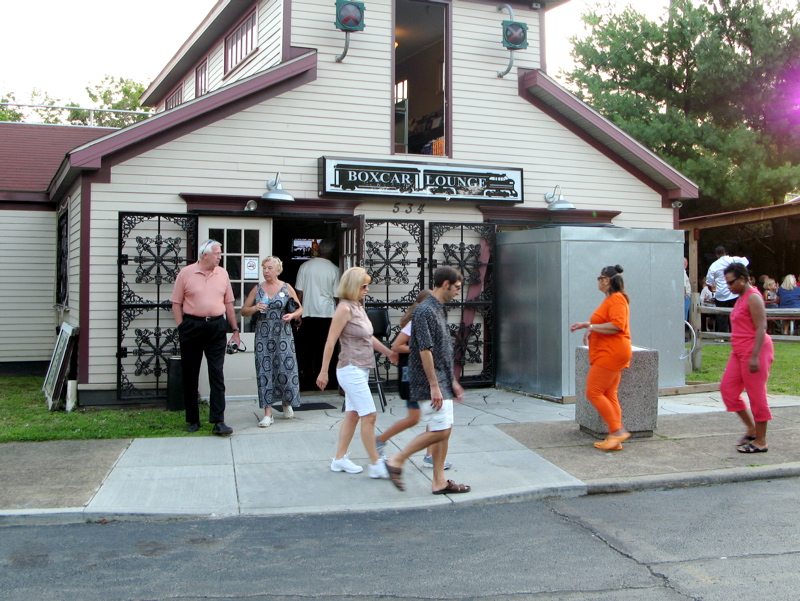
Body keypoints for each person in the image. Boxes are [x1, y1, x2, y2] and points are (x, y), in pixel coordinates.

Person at [385, 266, 470, 494]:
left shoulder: (439, 309)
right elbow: (424, 349)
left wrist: (452, 380)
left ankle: (439, 481)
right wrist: (434, 385)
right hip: (428, 381)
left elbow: (441, 350)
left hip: (443, 379)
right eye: (457, 288)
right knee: (440, 430)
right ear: (445, 284)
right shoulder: (424, 311)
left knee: (445, 429)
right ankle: (396, 459)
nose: (458, 293)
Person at [317, 267, 399, 478]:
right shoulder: (344, 308)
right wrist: (324, 371)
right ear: (353, 286)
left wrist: (389, 353)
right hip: (350, 368)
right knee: (369, 415)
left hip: (361, 368)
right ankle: (375, 463)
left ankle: (339, 459)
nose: (367, 289)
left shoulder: (358, 307)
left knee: (353, 415)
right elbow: (330, 340)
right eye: (363, 285)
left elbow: (368, 337)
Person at [374, 289, 452, 470]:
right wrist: (423, 350)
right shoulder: (417, 321)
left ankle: (429, 456)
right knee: (415, 418)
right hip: (414, 376)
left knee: (430, 417)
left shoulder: (427, 318)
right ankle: (382, 441)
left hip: (421, 376)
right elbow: (396, 345)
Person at [170, 239, 240, 436]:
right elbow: (176, 303)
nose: (220, 256)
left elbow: (229, 303)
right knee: (190, 373)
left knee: (216, 373)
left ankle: (219, 421)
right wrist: (182, 327)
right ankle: (193, 419)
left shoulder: (223, 273)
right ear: (205, 255)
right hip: (192, 326)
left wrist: (234, 330)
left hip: (217, 326)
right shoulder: (186, 273)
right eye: (217, 253)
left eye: (220, 253)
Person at [569, 264, 633, 451]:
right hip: (611, 352)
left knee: (593, 391)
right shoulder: (613, 299)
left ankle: (617, 431)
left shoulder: (616, 299)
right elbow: (606, 322)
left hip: (610, 353)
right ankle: (616, 438)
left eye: (599, 278)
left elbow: (617, 325)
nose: (597, 281)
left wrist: (593, 328)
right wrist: (586, 325)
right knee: (609, 393)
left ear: (606, 280)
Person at [240, 256, 303, 427]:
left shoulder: (286, 287)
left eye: (269, 268)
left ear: (277, 270)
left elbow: (300, 308)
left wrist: (292, 315)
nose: (266, 271)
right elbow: (243, 311)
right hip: (264, 335)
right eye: (264, 268)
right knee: (265, 370)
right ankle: (268, 413)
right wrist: (254, 308)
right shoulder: (258, 288)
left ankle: (286, 402)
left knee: (285, 369)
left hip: (283, 334)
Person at [719, 263, 774, 453]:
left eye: (731, 282)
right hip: (739, 352)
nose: (729, 286)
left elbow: (761, 328)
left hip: (755, 351)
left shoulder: (753, 297)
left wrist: (755, 357)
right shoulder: (741, 297)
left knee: (756, 395)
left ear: (743, 279)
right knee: (728, 390)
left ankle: (761, 441)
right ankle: (751, 429)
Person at [295, 239, 340, 389]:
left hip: (308, 312)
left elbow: (298, 293)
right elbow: (336, 295)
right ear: (331, 252)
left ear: (318, 250)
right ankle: (328, 379)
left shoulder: (305, 266)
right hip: (327, 313)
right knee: (326, 346)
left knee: (308, 348)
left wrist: (297, 313)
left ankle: (308, 378)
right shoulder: (334, 269)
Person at [705, 246, 749, 333]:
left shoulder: (714, 265)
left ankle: (723, 335)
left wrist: (712, 286)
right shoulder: (732, 260)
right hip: (734, 291)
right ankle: (736, 332)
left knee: (721, 315)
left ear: (717, 255)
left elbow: (709, 280)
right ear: (725, 252)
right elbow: (745, 261)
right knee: (737, 313)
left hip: (721, 293)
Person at [683, 257, 691, 322]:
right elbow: (683, 285)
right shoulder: (682, 272)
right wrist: (684, 295)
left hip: (685, 297)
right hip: (685, 297)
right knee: (684, 317)